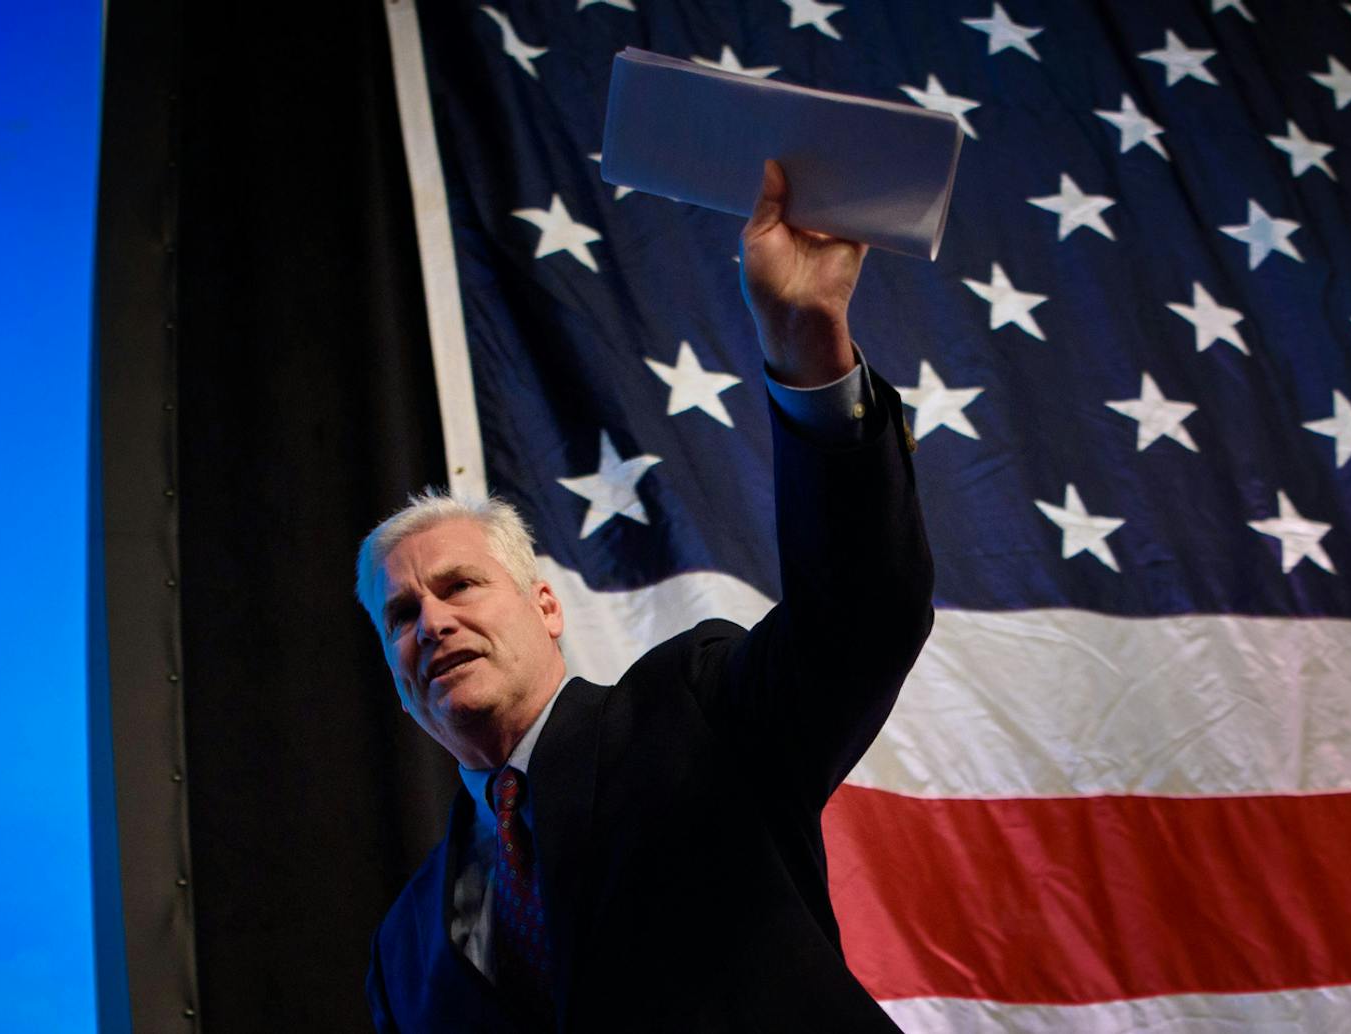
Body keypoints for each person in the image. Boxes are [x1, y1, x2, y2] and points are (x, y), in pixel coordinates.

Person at [360, 161, 934, 1032]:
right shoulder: (403, 947)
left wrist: (809, 352)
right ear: (395, 673)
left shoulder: (694, 710)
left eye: (459, 585)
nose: (432, 622)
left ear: (545, 606)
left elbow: (862, 612)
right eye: (401, 615)